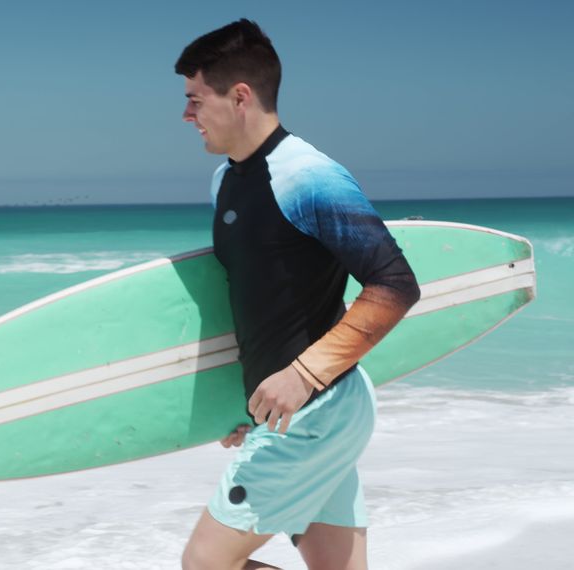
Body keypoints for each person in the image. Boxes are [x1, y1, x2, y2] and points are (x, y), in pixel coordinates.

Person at [174, 20, 421, 570]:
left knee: (206, 565)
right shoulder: (226, 181)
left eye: (195, 100)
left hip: (315, 409)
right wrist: (244, 408)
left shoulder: (308, 176)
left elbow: (395, 285)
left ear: (239, 96)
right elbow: (258, 300)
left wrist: (300, 378)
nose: (186, 115)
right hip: (300, 413)